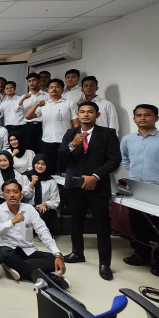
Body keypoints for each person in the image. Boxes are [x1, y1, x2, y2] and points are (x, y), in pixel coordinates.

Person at [58, 101, 121, 281]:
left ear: (97, 115)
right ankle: (77, 252)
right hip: (74, 184)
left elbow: (114, 159)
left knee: (102, 225)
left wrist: (96, 176)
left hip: (97, 185)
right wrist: (72, 145)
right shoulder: (70, 133)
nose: (85, 114)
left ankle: (105, 263)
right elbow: (61, 157)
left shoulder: (108, 133)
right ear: (78, 114)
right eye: (82, 111)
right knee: (76, 221)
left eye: (90, 111)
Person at [0, 180, 68, 288]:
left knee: (54, 260)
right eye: (8, 192)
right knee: (5, 255)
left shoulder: (29, 209)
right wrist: (12, 222)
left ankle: (16, 267)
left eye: (15, 192)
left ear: (21, 195)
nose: (12, 195)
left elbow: (42, 231)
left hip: (28, 250)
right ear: (3, 195)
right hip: (8, 249)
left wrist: (57, 254)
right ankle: (48, 279)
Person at [120, 104, 159, 276]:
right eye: (139, 115)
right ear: (134, 119)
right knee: (138, 224)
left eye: (147, 115)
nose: (143, 118)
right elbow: (125, 159)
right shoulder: (128, 140)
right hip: (137, 190)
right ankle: (141, 254)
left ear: (156, 118)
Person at [25, 78, 80, 176]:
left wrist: (75, 139)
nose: (54, 89)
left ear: (62, 89)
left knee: (63, 168)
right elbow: (28, 116)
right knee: (48, 169)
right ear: (48, 90)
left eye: (57, 87)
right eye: (51, 87)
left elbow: (76, 124)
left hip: (64, 142)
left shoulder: (70, 103)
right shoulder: (44, 105)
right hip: (46, 141)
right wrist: (36, 105)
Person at [22, 155, 60, 233]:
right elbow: (24, 196)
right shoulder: (26, 177)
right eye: (37, 163)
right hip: (29, 208)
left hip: (45, 209)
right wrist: (32, 184)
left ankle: (44, 234)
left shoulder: (51, 181)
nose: (40, 166)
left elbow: (55, 200)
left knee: (43, 213)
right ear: (33, 164)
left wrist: (45, 204)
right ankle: (30, 233)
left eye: (43, 164)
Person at [20, 72, 49, 153]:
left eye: (34, 80)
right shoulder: (24, 97)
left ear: (39, 81)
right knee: (30, 150)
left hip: (43, 125)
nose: (31, 83)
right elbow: (19, 111)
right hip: (28, 126)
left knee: (43, 148)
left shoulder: (46, 95)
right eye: (29, 81)